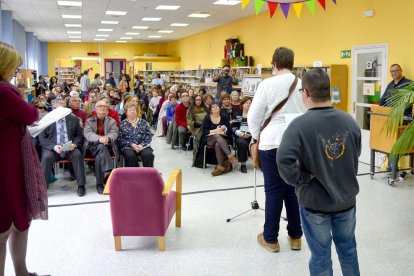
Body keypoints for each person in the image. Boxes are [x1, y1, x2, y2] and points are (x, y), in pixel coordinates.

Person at [277, 68, 361, 276]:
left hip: (315, 204)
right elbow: (355, 153)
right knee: (348, 250)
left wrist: (302, 178)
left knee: (321, 256)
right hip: (346, 201)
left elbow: (283, 160)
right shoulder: (349, 121)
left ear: (305, 93)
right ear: (328, 91)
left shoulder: (299, 126)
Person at [247, 46, 306, 253]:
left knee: (273, 192)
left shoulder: (267, 84)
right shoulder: (302, 84)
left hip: (271, 142)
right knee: (293, 190)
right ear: (292, 63)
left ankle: (271, 238)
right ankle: (296, 236)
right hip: (297, 143)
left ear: (274, 64)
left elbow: (254, 116)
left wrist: (256, 137)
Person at [0, 41, 45, 276]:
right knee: (5, 226)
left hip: (11, 162)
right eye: (15, 68)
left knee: (19, 220)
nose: (16, 72)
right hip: (6, 166)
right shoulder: (4, 91)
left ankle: (22, 272)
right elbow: (30, 114)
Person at [39, 98, 87, 196]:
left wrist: (75, 144)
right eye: (58, 108)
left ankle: (81, 185)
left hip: (69, 147)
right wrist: (53, 147)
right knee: (46, 157)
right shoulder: (46, 120)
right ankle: (43, 188)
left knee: (77, 154)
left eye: (63, 108)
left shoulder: (73, 119)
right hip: (53, 148)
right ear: (53, 109)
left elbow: (79, 135)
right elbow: (42, 138)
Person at [84, 100, 119, 194]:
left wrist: (106, 138)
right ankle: (109, 171)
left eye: (105, 106)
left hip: (107, 146)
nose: (103, 108)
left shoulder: (112, 121)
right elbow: (88, 134)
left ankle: (100, 185)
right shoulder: (89, 120)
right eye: (100, 106)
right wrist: (100, 139)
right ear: (95, 109)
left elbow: (114, 133)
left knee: (100, 157)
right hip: (92, 146)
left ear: (107, 110)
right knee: (100, 147)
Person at [202, 102, 236, 176]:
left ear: (219, 108)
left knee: (217, 144)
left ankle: (220, 166)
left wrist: (223, 130)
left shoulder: (224, 116)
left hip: (222, 138)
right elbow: (204, 131)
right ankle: (230, 155)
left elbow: (229, 130)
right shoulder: (207, 117)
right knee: (217, 136)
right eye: (213, 107)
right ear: (210, 110)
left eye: (217, 106)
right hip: (210, 139)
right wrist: (216, 131)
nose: (215, 108)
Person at [118, 102, 154, 167]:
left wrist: (141, 145)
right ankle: (134, 175)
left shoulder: (143, 122)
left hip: (143, 146)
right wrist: (131, 144)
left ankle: (148, 174)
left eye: (134, 110)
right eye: (130, 110)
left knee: (148, 154)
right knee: (130, 156)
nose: (132, 111)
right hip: (128, 146)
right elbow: (121, 139)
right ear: (126, 113)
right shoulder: (123, 124)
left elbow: (148, 136)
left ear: (136, 111)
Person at [231, 96, 252, 173]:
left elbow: (257, 126)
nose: (248, 104)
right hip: (240, 135)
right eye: (246, 103)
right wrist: (241, 134)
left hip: (251, 135)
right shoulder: (237, 114)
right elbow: (233, 128)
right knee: (242, 143)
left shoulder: (253, 114)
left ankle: (260, 163)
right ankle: (243, 164)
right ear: (242, 104)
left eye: (250, 103)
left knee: (260, 142)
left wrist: (251, 133)